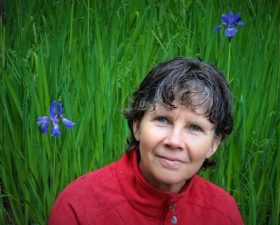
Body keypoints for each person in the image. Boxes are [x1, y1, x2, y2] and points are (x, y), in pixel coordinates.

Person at [48, 57, 244, 225]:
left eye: (195, 127)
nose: (174, 141)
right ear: (137, 125)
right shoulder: (78, 206)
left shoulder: (224, 212)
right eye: (162, 119)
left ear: (214, 143)